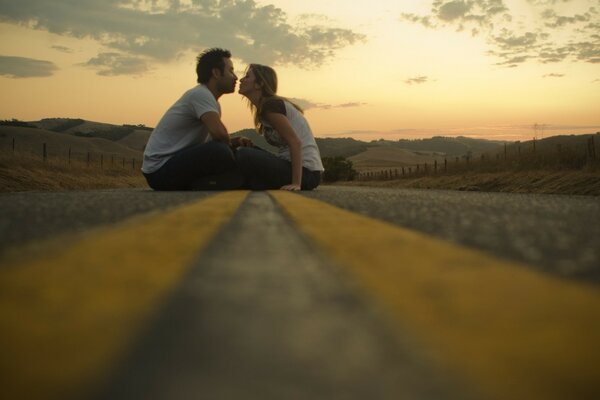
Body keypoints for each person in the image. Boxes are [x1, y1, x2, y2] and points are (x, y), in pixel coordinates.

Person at [141, 48, 251, 190]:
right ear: (216, 73)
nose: (235, 77)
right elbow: (219, 134)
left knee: (224, 149)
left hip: (168, 166)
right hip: (160, 170)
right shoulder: (201, 94)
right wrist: (231, 146)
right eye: (231, 71)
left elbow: (214, 140)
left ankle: (210, 182)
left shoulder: (211, 101)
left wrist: (237, 141)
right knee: (220, 151)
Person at [236, 64, 324, 191]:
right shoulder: (264, 108)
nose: (241, 79)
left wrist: (296, 184)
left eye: (247, 76)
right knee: (242, 149)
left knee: (245, 154)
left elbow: (295, 142)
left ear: (259, 84)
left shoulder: (270, 105)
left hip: (307, 173)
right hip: (290, 166)